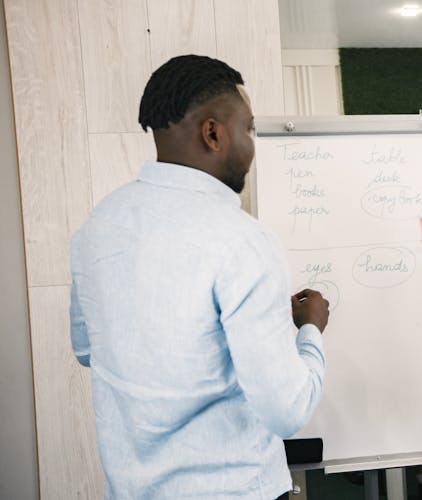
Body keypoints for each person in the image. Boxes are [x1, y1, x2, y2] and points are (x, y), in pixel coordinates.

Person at [70, 54, 329, 499]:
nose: (251, 144)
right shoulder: (243, 241)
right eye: (247, 129)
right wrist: (310, 330)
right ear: (213, 133)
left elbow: (86, 350)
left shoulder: (99, 225)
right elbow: (287, 410)